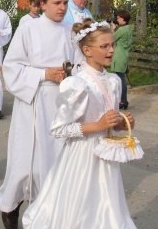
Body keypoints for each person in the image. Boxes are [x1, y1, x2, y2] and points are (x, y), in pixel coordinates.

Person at [22, 19, 137, 228]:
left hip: (105, 153)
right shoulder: (77, 83)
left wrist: (119, 123)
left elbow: (109, 117)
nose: (111, 50)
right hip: (82, 155)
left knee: (106, 206)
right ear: (87, 50)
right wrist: (98, 125)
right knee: (80, 205)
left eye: (113, 45)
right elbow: (59, 129)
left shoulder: (114, 81)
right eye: (104, 46)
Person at [0, 0, 75, 229]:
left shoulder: (71, 30)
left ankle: (47, 217)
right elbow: (12, 67)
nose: (62, 8)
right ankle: (10, 211)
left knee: (55, 163)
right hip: (34, 101)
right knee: (25, 163)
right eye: (57, 3)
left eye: (65, 2)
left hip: (61, 104)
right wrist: (43, 75)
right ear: (42, 4)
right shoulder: (29, 29)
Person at [112, 10, 133, 110]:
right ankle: (124, 99)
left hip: (119, 54)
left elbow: (112, 39)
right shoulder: (129, 29)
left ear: (123, 19)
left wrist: (113, 29)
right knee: (121, 77)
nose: (117, 19)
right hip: (125, 54)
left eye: (118, 18)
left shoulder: (121, 30)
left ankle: (123, 100)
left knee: (120, 78)